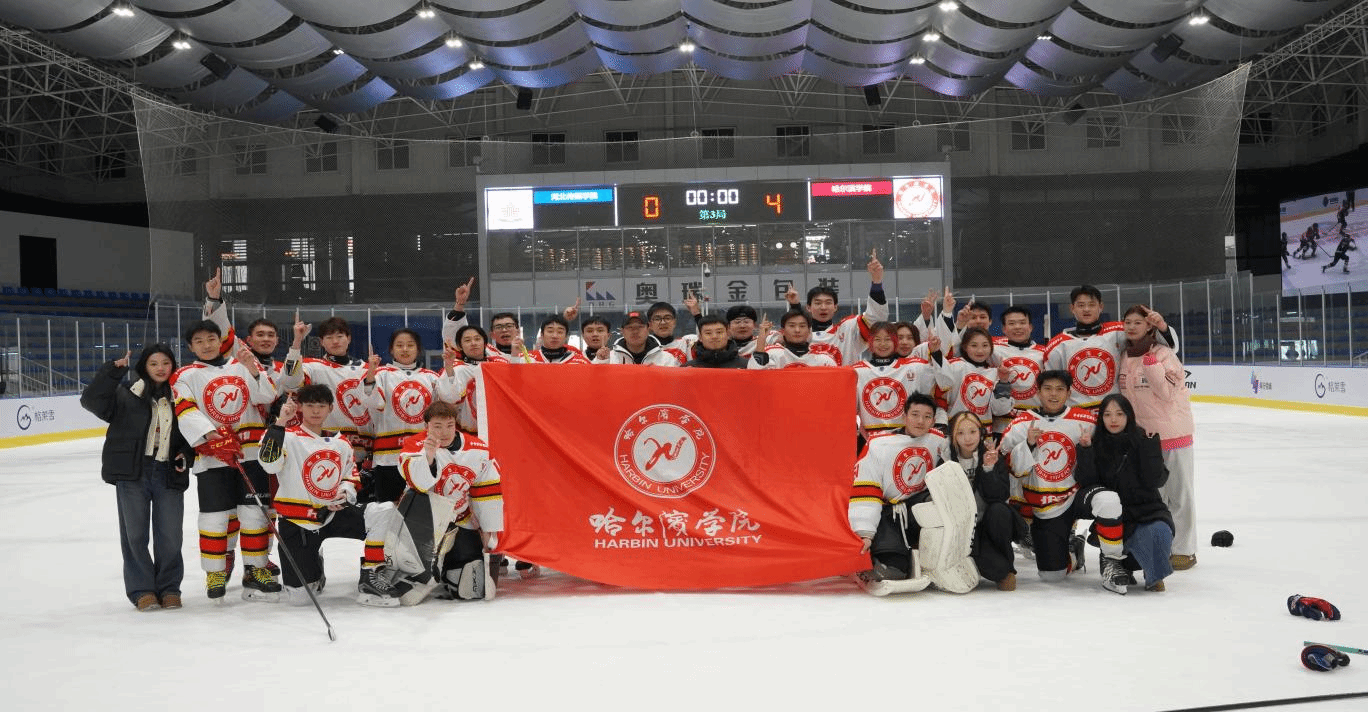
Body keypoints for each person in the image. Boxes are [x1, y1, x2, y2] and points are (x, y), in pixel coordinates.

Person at [258, 385, 409, 606]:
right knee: (300, 598)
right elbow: (269, 465)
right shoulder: (285, 436)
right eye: (310, 405)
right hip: (298, 522)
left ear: (330, 408)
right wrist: (281, 421)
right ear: (299, 407)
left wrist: (344, 494)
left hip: (333, 514)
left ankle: (371, 572)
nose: (315, 411)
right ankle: (313, 566)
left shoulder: (340, 441)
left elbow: (350, 476)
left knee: (384, 511)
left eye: (321, 406)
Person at [170, 319, 281, 601]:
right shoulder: (185, 375)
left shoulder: (241, 365)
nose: (206, 345)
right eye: (199, 341)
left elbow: (267, 395)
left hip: (251, 454)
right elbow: (185, 410)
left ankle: (256, 568)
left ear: (220, 340)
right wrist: (214, 439)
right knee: (215, 517)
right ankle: (215, 572)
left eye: (211, 339)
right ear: (190, 347)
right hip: (212, 459)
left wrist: (252, 368)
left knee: (255, 514)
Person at [81, 344, 196, 611]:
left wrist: (187, 454)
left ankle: (169, 588)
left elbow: (193, 431)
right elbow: (91, 401)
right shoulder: (125, 394)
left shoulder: (183, 397)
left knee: (170, 535)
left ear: (173, 366)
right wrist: (112, 372)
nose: (160, 368)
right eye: (154, 363)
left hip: (169, 471)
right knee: (134, 534)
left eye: (165, 363)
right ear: (144, 366)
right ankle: (142, 589)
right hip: (133, 472)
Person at [998, 370, 1130, 592]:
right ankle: (1075, 552)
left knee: (1108, 500)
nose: (1054, 394)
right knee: (1052, 576)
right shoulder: (1022, 423)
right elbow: (1010, 468)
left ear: (1069, 393)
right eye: (1048, 389)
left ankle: (1112, 562)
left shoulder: (1085, 420)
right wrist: (1028, 444)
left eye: (1060, 389)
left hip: (1078, 494)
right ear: (1038, 392)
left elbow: (1112, 446)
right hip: (1047, 507)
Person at [848, 393, 977, 594]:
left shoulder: (938, 441)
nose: (920, 421)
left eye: (927, 416)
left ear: (933, 420)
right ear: (904, 416)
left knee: (940, 503)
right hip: (888, 514)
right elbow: (866, 491)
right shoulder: (878, 444)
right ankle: (882, 559)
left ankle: (938, 559)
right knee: (895, 570)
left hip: (917, 509)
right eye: (915, 414)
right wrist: (864, 533)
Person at [391, 401, 504, 604]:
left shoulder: (478, 450)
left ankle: (445, 570)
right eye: (437, 426)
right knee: (410, 594)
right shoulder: (414, 446)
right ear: (426, 426)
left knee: (470, 589)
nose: (444, 432)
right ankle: (421, 570)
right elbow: (419, 485)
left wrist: (489, 530)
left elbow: (487, 491)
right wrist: (429, 457)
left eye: (449, 425)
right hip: (422, 523)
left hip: (460, 522)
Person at [1118, 305, 1197, 571]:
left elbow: (1166, 393)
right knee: (1155, 498)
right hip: (1144, 440)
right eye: (1127, 322)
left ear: (1149, 327)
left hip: (1173, 435)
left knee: (1180, 495)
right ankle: (1161, 546)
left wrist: (1151, 365)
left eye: (1137, 322)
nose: (1131, 327)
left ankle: (1184, 549)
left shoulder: (1164, 354)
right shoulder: (1124, 356)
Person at [1075, 394, 1174, 593]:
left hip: (1148, 512)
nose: (1114, 419)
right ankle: (1116, 563)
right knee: (1121, 542)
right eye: (1107, 414)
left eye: (1119, 414)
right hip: (1116, 520)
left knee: (1158, 532)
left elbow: (1156, 480)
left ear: (1129, 416)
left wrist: (1150, 447)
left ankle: (1152, 572)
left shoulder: (1143, 439)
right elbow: (1087, 482)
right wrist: (1085, 450)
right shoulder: (1095, 443)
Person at [1043, 285, 1178, 409]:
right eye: (1081, 305)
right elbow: (1052, 384)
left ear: (1101, 306)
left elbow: (1166, 347)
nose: (1086, 309)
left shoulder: (1118, 331)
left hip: (1114, 411)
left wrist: (1162, 327)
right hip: (1078, 414)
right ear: (1072, 308)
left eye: (1091, 304)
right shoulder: (1057, 345)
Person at [361, 328, 457, 503]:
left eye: (410, 345)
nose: (405, 349)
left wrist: (449, 368)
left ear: (418, 349)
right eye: (399, 345)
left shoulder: (431, 377)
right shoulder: (381, 374)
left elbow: (449, 401)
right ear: (391, 350)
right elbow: (372, 402)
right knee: (388, 509)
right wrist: (370, 374)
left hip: (423, 454)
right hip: (388, 457)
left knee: (421, 510)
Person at [946, 412, 1022, 591]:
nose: (967, 438)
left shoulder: (992, 455)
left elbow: (1000, 496)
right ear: (953, 436)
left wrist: (988, 469)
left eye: (972, 432)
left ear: (981, 432)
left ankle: (1007, 567)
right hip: (961, 529)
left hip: (987, 523)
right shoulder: (944, 459)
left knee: (1000, 511)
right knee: (990, 566)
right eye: (960, 433)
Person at [782, 250, 888, 366]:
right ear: (808, 307)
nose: (823, 307)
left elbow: (876, 318)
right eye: (817, 303)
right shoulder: (797, 334)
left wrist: (877, 283)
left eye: (828, 303)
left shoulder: (848, 329)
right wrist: (795, 306)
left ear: (835, 307)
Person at [923, 326, 1013, 431]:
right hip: (956, 431)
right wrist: (936, 352)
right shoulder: (955, 366)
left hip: (984, 435)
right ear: (965, 347)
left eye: (985, 345)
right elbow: (943, 377)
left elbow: (1000, 410)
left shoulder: (996, 373)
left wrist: (1003, 382)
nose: (980, 350)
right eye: (974, 345)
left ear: (991, 348)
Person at [853, 322, 931, 439]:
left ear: (895, 342)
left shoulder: (914, 366)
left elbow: (941, 377)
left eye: (887, 339)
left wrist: (935, 351)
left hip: (907, 438)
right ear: (870, 342)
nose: (882, 344)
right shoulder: (857, 371)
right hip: (872, 441)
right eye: (877, 339)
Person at [748, 310, 838, 369]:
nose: (797, 330)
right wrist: (761, 341)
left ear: (809, 331)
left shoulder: (824, 361)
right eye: (792, 326)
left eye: (802, 326)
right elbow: (755, 375)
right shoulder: (772, 354)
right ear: (783, 331)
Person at [595, 311, 675, 365]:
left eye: (640, 327)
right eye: (630, 328)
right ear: (622, 331)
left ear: (648, 329)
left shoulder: (666, 359)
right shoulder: (610, 358)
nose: (635, 331)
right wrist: (602, 362)